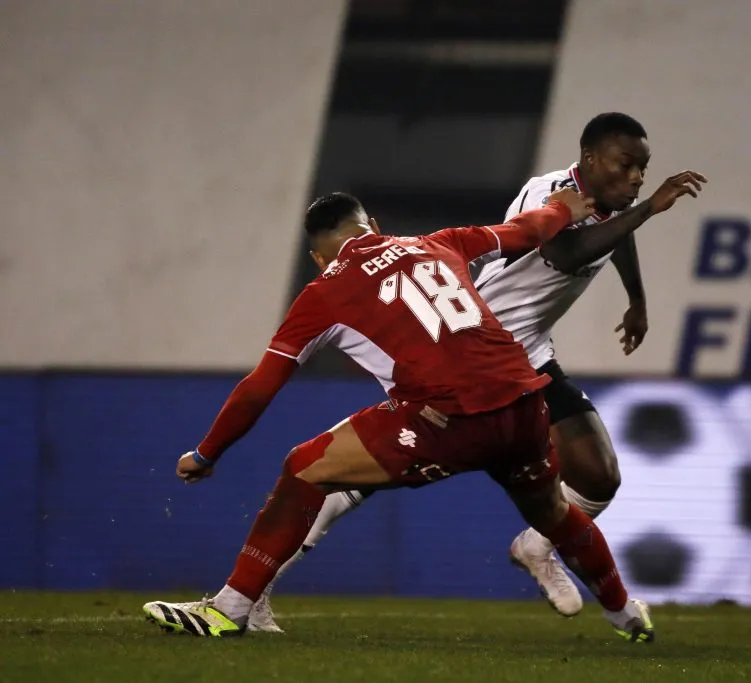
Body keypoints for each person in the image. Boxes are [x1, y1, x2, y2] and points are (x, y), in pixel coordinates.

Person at [247, 113, 709, 632]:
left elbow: (613, 233)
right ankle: (255, 590)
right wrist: (650, 208)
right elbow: (566, 249)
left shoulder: (608, 200)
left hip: (527, 352)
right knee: (355, 478)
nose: (637, 179)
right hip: (470, 346)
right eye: (628, 166)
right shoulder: (549, 193)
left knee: (599, 475)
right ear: (591, 160)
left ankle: (536, 548)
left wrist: (637, 299)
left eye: (643, 171)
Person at [143, 187, 665, 641]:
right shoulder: (437, 241)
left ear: (318, 258)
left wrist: (207, 452)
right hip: (527, 403)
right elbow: (523, 231)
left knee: (305, 468)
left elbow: (260, 387)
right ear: (373, 226)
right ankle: (626, 615)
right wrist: (561, 209)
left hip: (450, 419)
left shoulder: (325, 291)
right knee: (553, 513)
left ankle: (229, 609)